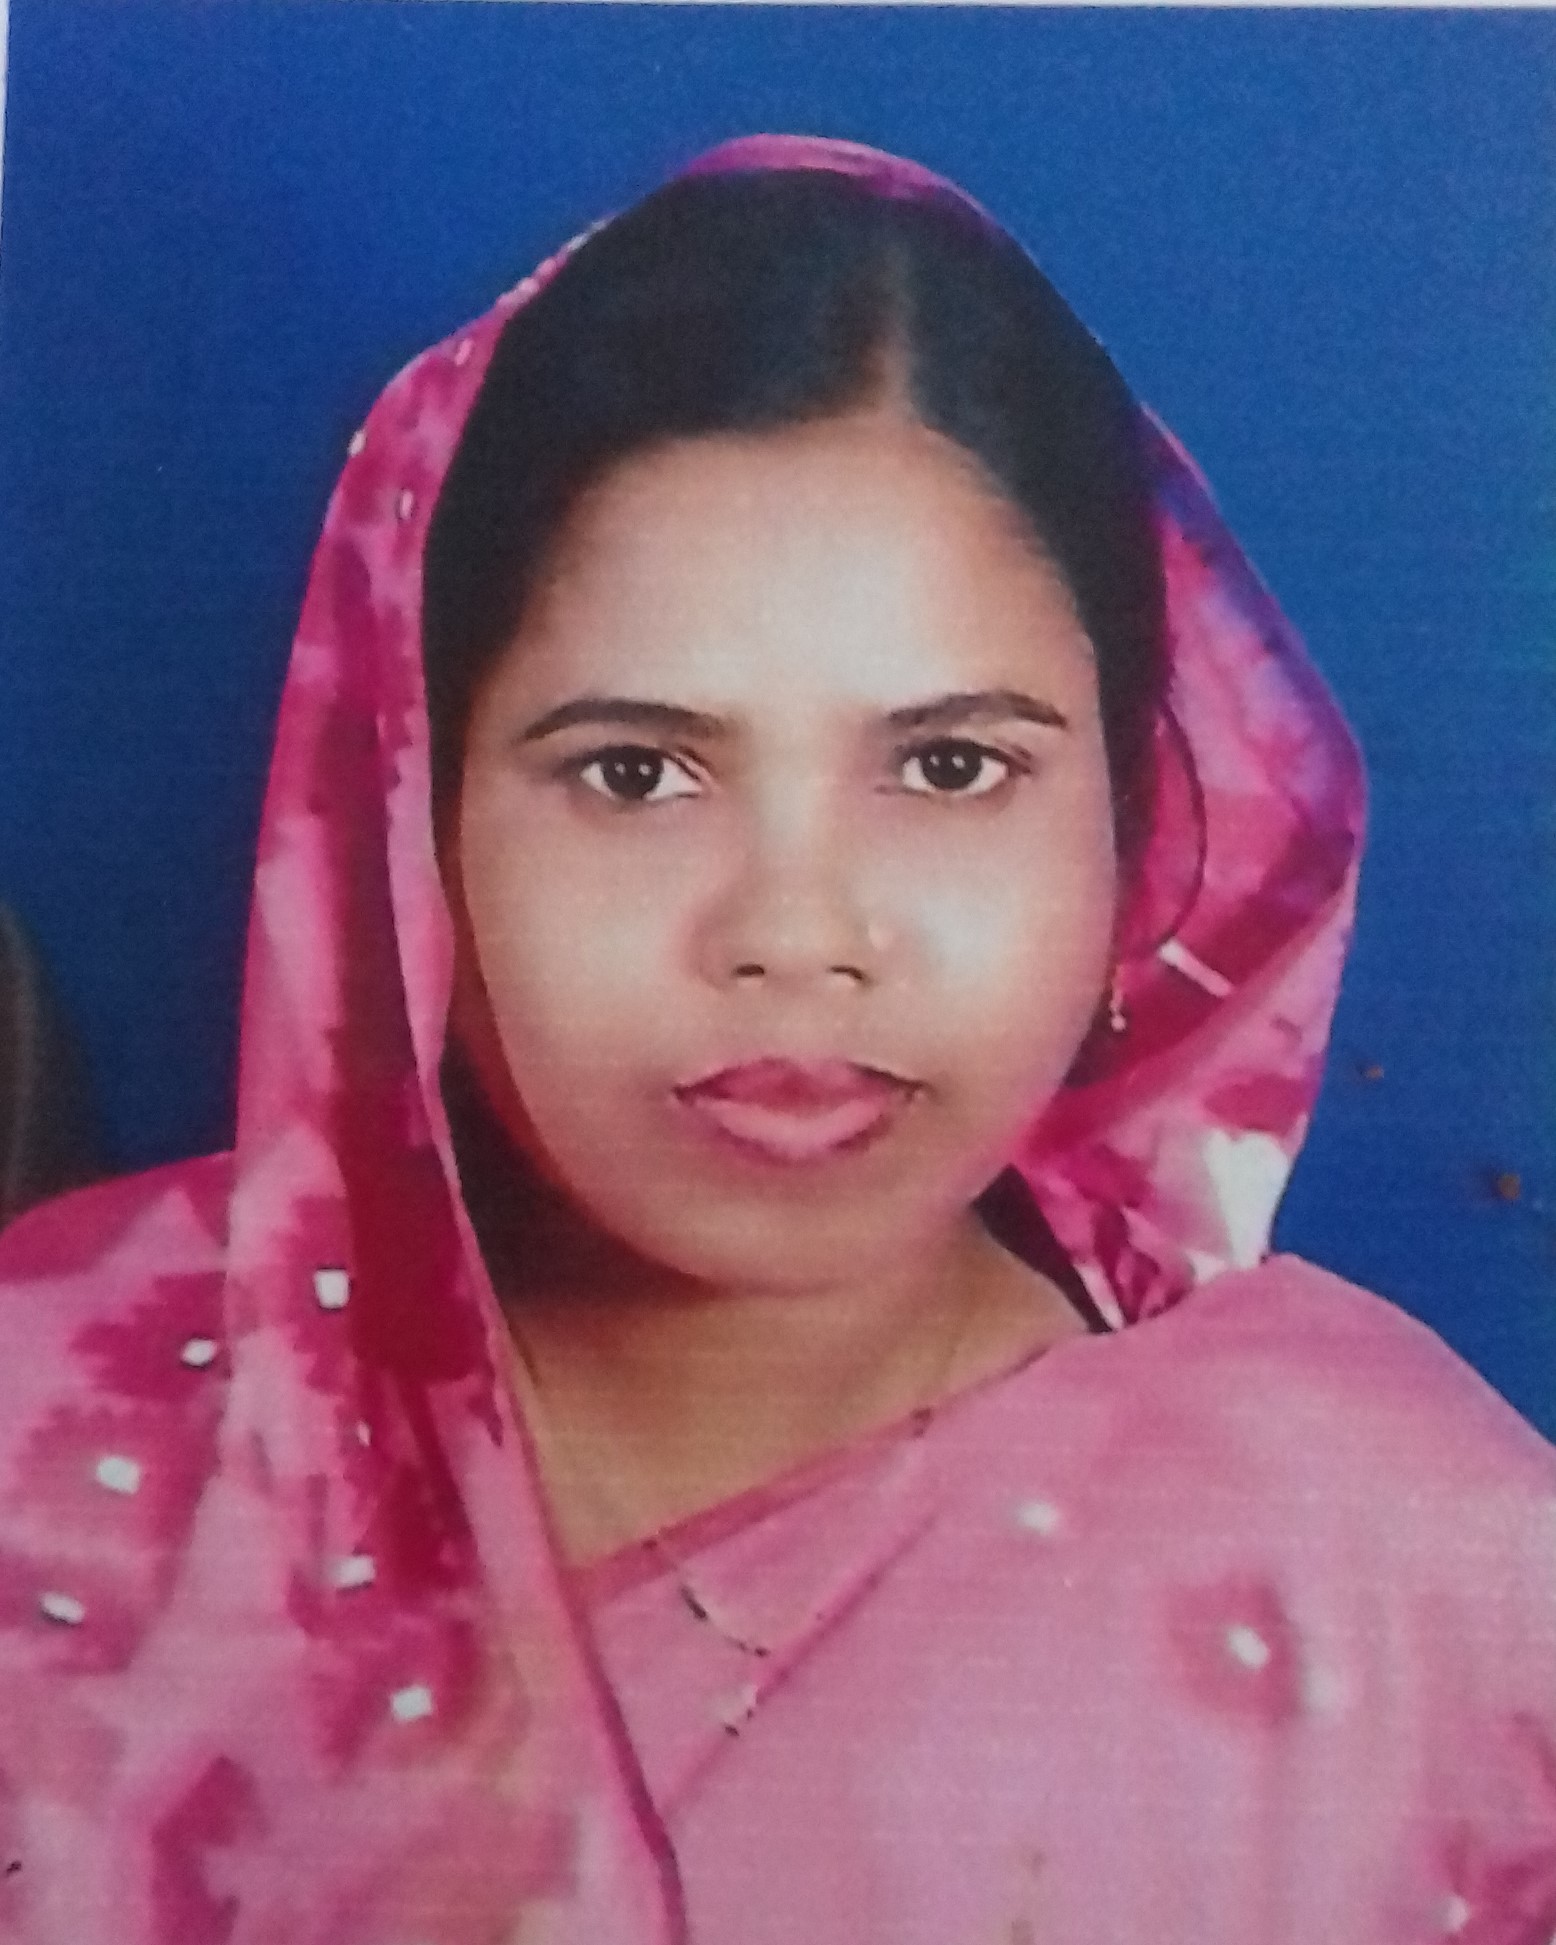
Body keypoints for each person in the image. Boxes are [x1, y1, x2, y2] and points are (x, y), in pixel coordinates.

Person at [0, 135, 1549, 1945]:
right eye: (634, 773)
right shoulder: (57, 1422)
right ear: (406, 822)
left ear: (1134, 831)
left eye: (951, 766)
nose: (798, 933)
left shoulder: (1416, 1579)